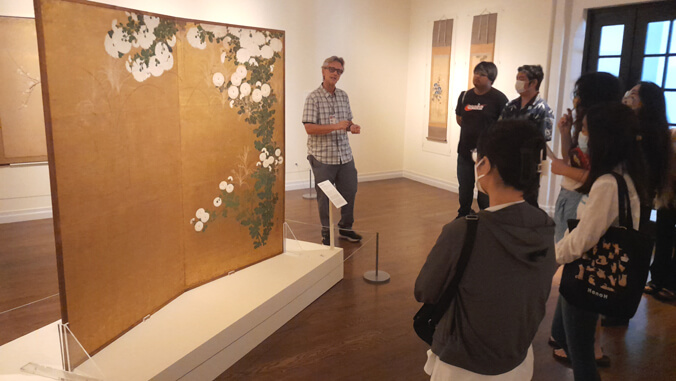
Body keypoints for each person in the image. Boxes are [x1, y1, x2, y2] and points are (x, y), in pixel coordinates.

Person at [415, 120, 557, 380]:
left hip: (462, 363)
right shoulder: (546, 226)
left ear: (486, 165)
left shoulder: (464, 231)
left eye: (476, 158)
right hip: (518, 359)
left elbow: (425, 289)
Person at [550, 102, 646, 381]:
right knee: (579, 348)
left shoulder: (607, 183)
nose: (584, 138)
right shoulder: (629, 173)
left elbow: (583, 239)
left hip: (586, 275)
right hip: (601, 275)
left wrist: (550, 257)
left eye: (587, 132)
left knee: (579, 352)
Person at [550, 73, 624, 242]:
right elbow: (574, 158)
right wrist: (565, 133)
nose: (576, 98)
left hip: (584, 197)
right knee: (562, 243)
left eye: (579, 93)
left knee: (570, 250)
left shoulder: (606, 127)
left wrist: (564, 170)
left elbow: (600, 177)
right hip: (570, 192)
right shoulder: (587, 120)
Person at [302, 56, 362, 245]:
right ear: (323, 71)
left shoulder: (343, 96)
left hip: (344, 156)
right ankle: (326, 232)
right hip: (322, 157)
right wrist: (336, 126)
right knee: (325, 198)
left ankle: (345, 228)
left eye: (339, 71)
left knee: (350, 191)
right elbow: (309, 128)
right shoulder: (313, 98)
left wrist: (351, 127)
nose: (336, 73)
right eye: (332, 69)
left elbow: (347, 121)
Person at [624, 82, 676, 300]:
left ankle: (669, 282)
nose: (629, 97)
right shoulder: (663, 132)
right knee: (663, 233)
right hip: (668, 189)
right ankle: (657, 279)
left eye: (635, 94)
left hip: (654, 189)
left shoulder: (657, 132)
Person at [454, 61, 509, 218]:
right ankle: (463, 214)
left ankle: (485, 218)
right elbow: (459, 119)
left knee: (484, 190)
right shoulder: (465, 96)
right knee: (465, 188)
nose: (476, 77)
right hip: (465, 151)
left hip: (487, 154)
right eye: (475, 73)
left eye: (482, 74)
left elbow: (504, 125)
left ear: (491, 79)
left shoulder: (499, 99)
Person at [499, 65, 555, 207]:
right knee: (507, 197)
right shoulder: (510, 106)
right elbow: (499, 130)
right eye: (517, 78)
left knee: (527, 200)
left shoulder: (542, 109)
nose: (518, 82)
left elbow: (541, 139)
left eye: (522, 79)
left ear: (534, 83)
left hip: (528, 163)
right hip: (507, 158)